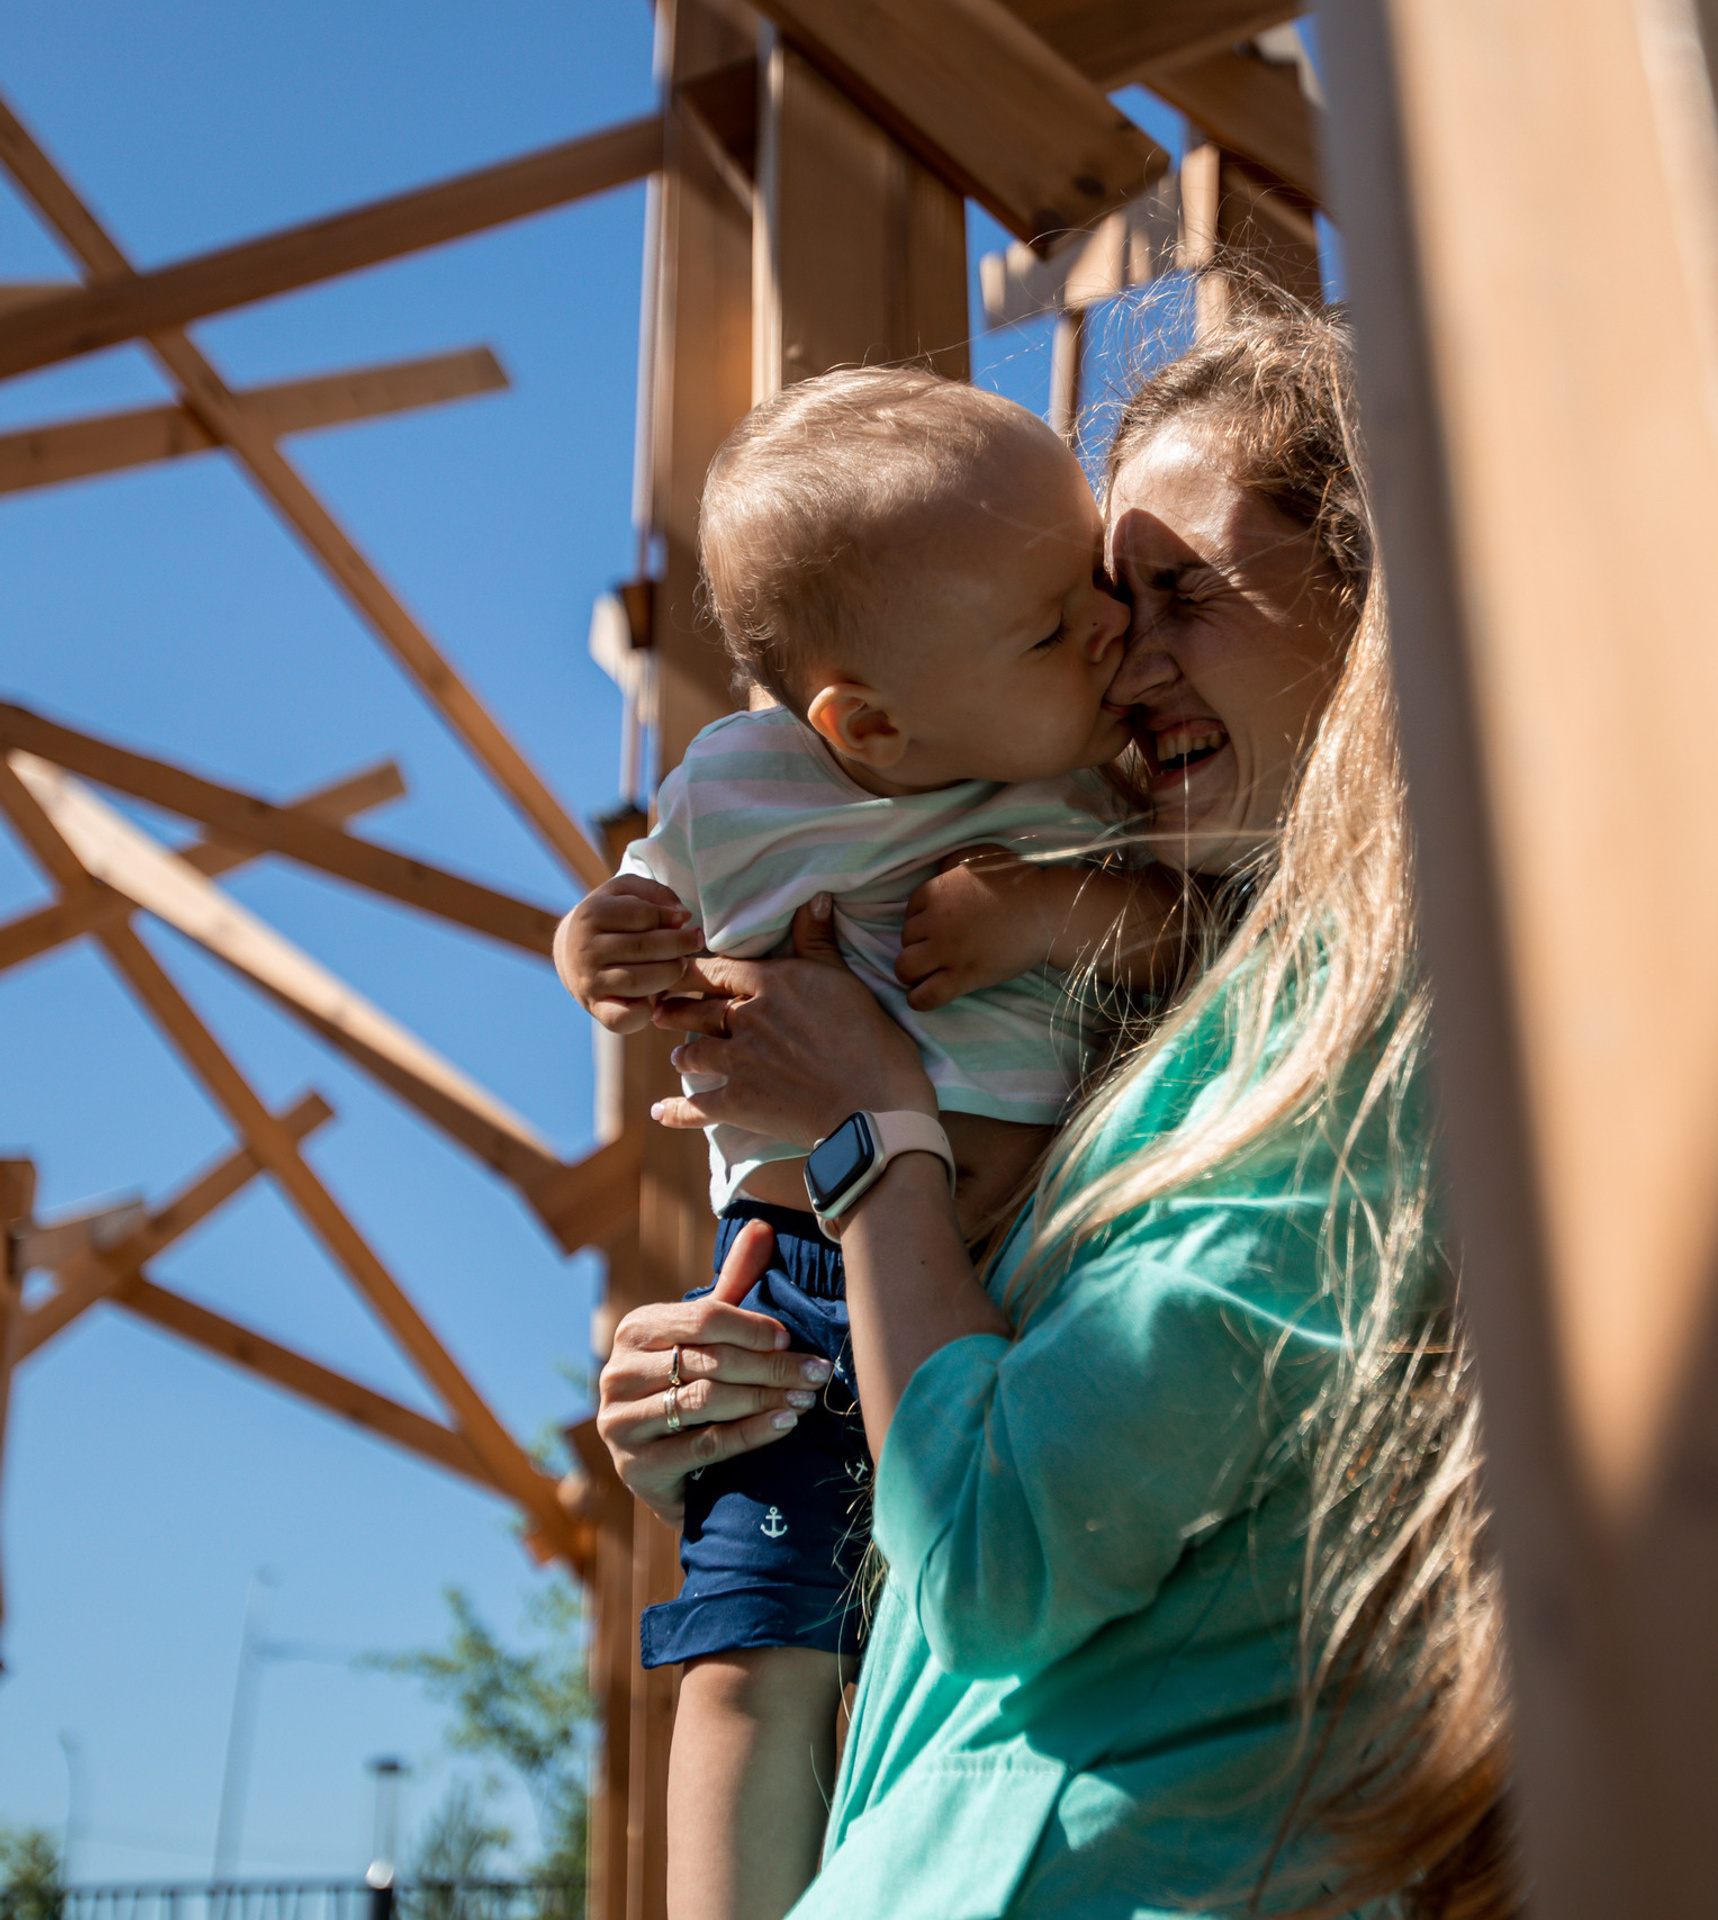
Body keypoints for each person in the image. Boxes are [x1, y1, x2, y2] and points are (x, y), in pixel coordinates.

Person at [599, 296, 1516, 1917]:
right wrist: (737, 1370)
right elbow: (971, 1510)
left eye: (1182, 596)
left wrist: (873, 1126)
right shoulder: (1186, 1015)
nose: (1122, 655)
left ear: (1378, 602)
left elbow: (1006, 1552)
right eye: (1099, 603)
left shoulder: (1367, 1031)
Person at [555, 368, 1183, 1920]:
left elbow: (1180, 939)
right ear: (872, 722)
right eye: (1057, 621)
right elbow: (624, 907)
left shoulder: (1098, 773)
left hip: (1022, 1265)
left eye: (1100, 584)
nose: (1108, 630)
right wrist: (603, 949)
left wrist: (1044, 907)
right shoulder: (737, 786)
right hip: (784, 1293)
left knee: (941, 1600)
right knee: (752, 1657)